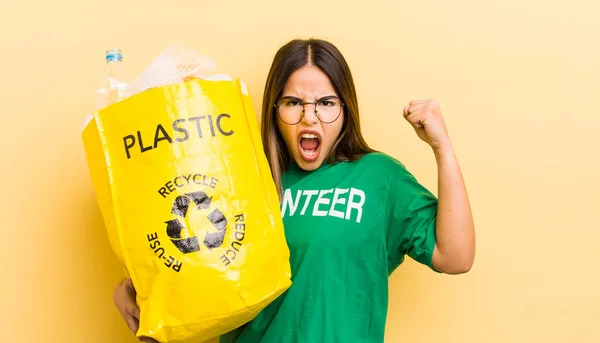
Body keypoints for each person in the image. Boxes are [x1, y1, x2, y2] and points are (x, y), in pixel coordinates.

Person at [113, 38, 476, 343]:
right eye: (293, 103)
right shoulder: (242, 178)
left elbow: (455, 256)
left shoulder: (378, 177)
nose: (309, 117)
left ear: (345, 110)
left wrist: (441, 147)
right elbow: (196, 264)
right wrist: (137, 290)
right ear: (274, 110)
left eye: (326, 103)